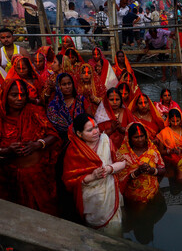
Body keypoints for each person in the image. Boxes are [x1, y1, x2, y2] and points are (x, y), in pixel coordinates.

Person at [0, 78, 61, 215]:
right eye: (14, 95)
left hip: (38, 178)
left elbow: (53, 135)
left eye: (23, 95)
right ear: (5, 95)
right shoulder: (1, 117)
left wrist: (38, 144)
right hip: (8, 179)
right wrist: (7, 150)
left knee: (42, 213)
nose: (20, 99)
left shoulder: (34, 111)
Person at [63, 113, 126, 233]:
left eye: (96, 127)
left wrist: (108, 169)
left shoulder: (106, 141)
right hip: (89, 200)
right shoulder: (74, 150)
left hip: (110, 194)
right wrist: (92, 176)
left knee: (114, 231)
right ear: (79, 134)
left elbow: (123, 163)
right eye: (90, 130)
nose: (96, 131)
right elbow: (69, 181)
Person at [116, 123, 165, 203]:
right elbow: (119, 179)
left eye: (142, 136)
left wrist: (151, 170)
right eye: (136, 137)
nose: (140, 140)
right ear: (129, 138)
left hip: (153, 194)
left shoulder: (152, 150)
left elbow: (163, 170)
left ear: (146, 136)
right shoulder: (122, 154)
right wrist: (137, 172)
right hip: (132, 199)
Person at [47, 73, 91, 141]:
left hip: (82, 138)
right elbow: (53, 127)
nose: (67, 87)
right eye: (64, 84)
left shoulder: (80, 100)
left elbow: (90, 119)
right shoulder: (54, 105)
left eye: (69, 83)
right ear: (59, 86)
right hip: (61, 140)